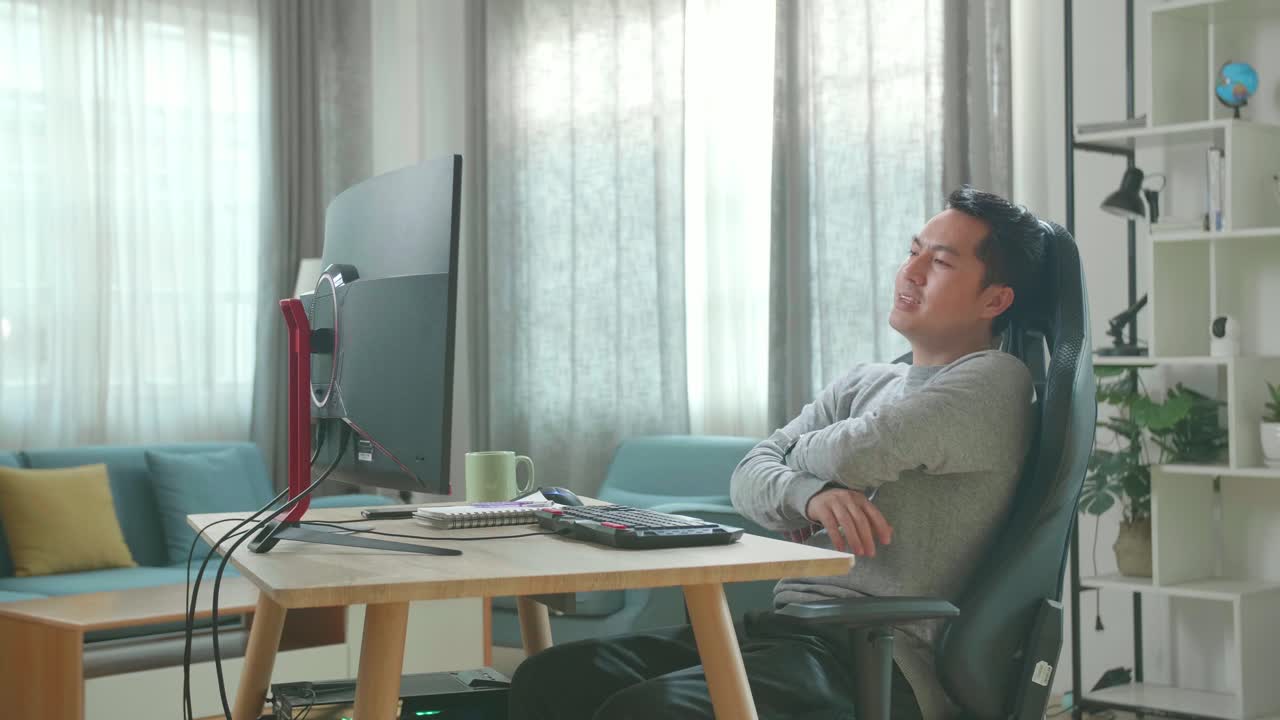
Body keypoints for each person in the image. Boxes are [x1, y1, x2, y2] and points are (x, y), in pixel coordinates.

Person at [507, 187, 1047, 720]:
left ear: (994, 299)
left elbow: (862, 450)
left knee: (649, 711)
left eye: (942, 262)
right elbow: (746, 477)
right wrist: (808, 494)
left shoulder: (995, 381)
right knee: (555, 678)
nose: (912, 272)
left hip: (874, 655)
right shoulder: (864, 382)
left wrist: (795, 453)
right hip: (788, 631)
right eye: (913, 252)